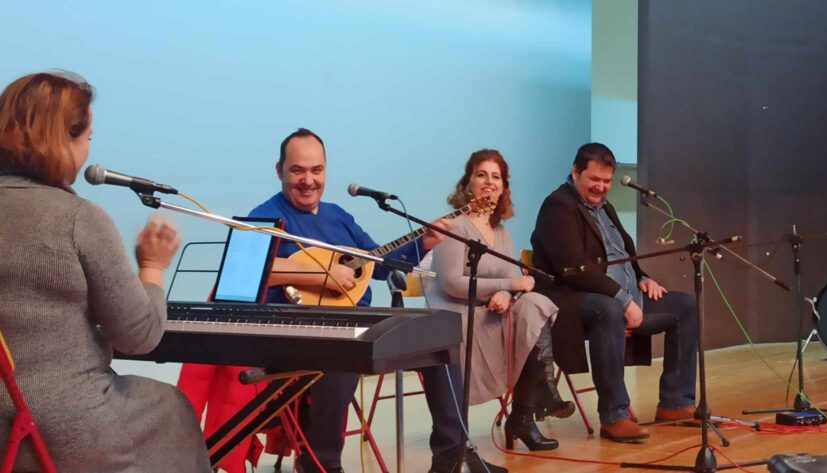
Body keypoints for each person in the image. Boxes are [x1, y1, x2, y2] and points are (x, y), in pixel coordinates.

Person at [248, 128, 505, 473]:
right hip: (304, 331)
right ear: (280, 170)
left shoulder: (338, 216)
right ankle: (321, 465)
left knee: (441, 340)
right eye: (298, 171)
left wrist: (424, 242)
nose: (309, 180)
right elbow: (250, 272)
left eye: (317, 170)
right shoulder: (264, 217)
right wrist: (320, 275)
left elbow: (379, 265)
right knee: (340, 357)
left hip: (359, 324)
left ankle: (452, 455)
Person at [0, 71, 209, 471]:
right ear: (61, 141)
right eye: (88, 138)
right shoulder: (78, 219)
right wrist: (152, 266)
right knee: (171, 408)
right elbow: (138, 336)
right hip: (64, 426)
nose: (87, 153)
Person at [529, 143, 699, 443]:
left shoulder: (605, 208)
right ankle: (614, 415)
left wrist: (644, 278)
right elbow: (575, 269)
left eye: (607, 181)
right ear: (575, 172)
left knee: (684, 306)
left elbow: (622, 256)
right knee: (607, 310)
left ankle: (675, 402)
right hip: (572, 301)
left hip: (620, 297)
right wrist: (624, 300)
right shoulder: (558, 206)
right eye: (594, 179)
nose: (601, 187)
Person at [425, 149, 573, 452]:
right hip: (457, 316)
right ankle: (534, 404)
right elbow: (453, 284)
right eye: (481, 174)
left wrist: (506, 293)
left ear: (504, 187)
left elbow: (511, 279)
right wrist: (508, 285)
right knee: (528, 318)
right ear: (468, 183)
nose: (489, 182)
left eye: (496, 177)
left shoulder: (501, 231)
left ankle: (525, 413)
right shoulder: (455, 225)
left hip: (490, 312)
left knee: (535, 305)